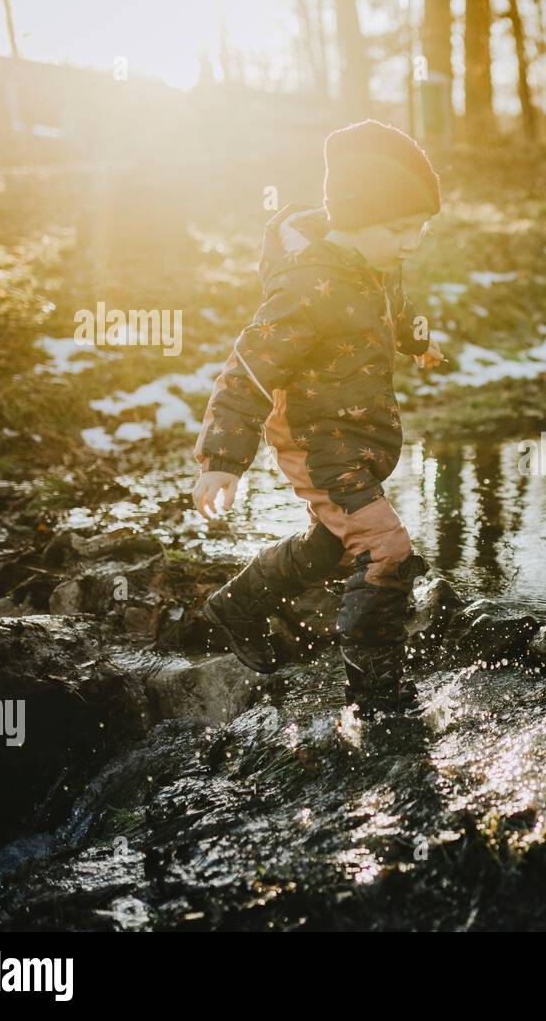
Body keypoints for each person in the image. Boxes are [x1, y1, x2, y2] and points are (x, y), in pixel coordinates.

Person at [189, 119, 444, 711]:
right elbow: (248, 369)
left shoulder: (378, 264)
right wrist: (223, 460)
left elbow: (394, 307)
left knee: (332, 543)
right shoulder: (308, 286)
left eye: (422, 229)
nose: (413, 242)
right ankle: (376, 698)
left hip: (361, 435)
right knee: (386, 549)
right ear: (354, 219)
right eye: (401, 229)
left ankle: (234, 607)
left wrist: (416, 339)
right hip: (317, 442)